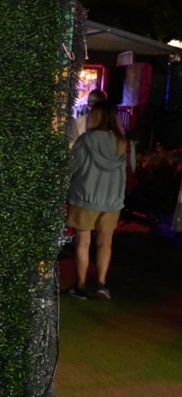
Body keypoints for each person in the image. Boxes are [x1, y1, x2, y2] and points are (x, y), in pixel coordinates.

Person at [65, 97, 128, 300]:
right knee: (105, 243)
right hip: (112, 201)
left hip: (85, 197)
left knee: (82, 243)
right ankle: (101, 284)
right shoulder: (121, 143)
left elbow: (71, 168)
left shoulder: (86, 140)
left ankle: (80, 287)